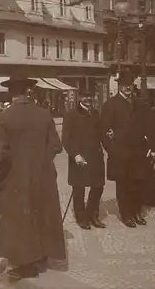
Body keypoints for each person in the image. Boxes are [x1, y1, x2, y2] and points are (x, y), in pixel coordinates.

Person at [0, 75, 65, 279]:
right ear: (28, 92)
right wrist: (41, 161)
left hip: (15, 177)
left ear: (11, 93)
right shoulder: (44, 114)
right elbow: (56, 146)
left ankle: (25, 265)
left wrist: (3, 175)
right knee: (41, 212)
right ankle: (41, 254)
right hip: (43, 175)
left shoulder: (3, 117)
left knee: (19, 218)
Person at [100, 71, 151, 228]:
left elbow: (145, 127)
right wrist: (113, 151)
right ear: (119, 86)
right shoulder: (111, 105)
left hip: (138, 153)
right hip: (120, 154)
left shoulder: (138, 104)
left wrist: (148, 147)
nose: (128, 87)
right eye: (124, 85)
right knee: (123, 186)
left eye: (130, 84)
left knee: (138, 185)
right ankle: (126, 215)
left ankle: (137, 213)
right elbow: (104, 131)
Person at [62, 90, 106, 230]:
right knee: (79, 188)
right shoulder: (71, 115)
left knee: (98, 186)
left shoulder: (95, 113)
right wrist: (75, 154)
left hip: (95, 156)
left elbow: (100, 134)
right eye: (85, 96)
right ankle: (81, 218)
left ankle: (93, 214)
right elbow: (66, 139)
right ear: (79, 97)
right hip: (79, 157)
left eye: (90, 96)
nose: (88, 99)